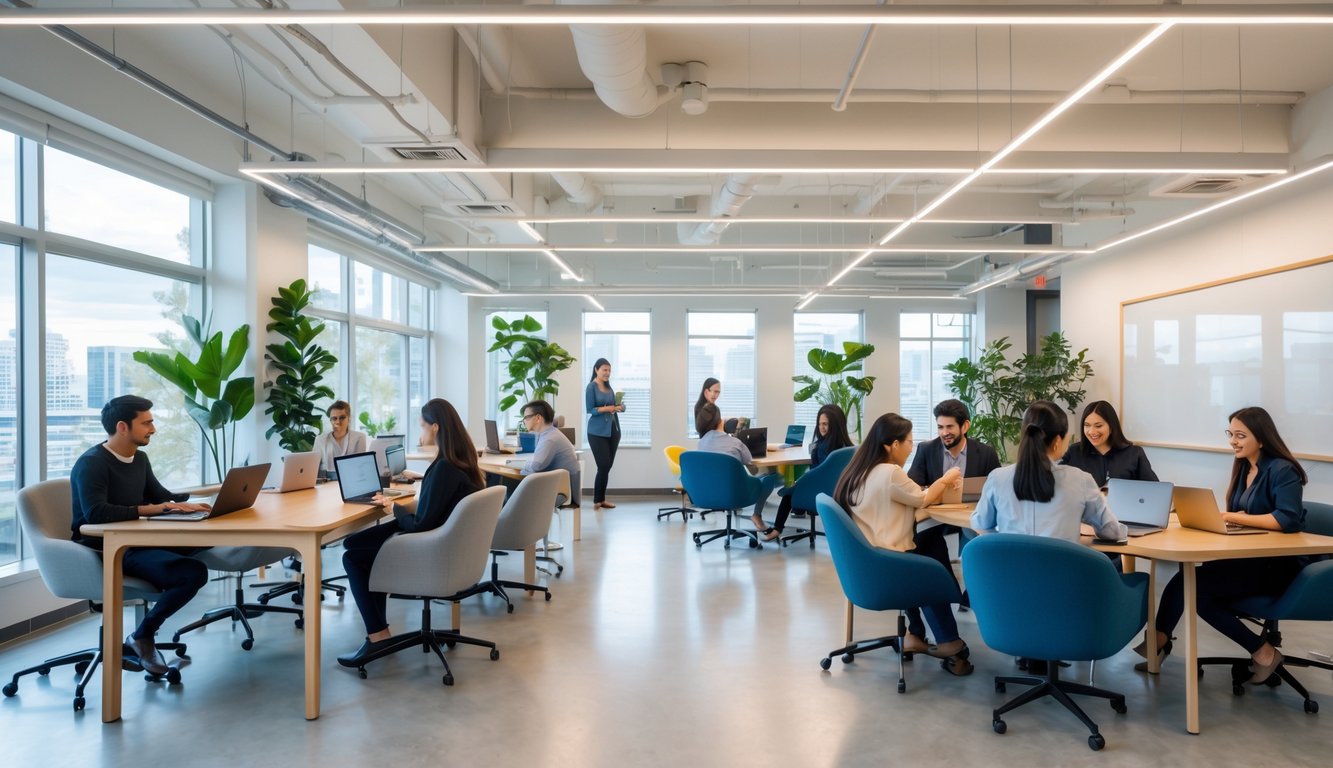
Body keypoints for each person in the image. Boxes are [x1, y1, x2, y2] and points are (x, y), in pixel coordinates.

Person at [1135, 406, 1307, 680]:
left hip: (1275, 567)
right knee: (1187, 581)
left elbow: (1286, 519)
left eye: (1240, 435)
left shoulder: (1282, 470)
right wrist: (1222, 520)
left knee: (1193, 587)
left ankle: (1163, 641)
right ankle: (1163, 640)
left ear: (1262, 438)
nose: (1232, 441)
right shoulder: (1245, 467)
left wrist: (1231, 517)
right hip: (1247, 559)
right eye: (1230, 434)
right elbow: (1243, 514)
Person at [69, 395, 212, 676]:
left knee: (206, 542)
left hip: (138, 540)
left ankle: (142, 633)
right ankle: (142, 636)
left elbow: (161, 496)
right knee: (192, 573)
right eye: (146, 423)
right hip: (108, 548)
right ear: (122, 427)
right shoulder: (92, 463)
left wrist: (194, 503)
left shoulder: (139, 458)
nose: (153, 429)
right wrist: (155, 508)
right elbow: (96, 513)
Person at [338, 398, 484, 667]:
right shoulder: (462, 461)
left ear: (436, 427)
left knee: (354, 558)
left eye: (422, 426)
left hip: (431, 549)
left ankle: (378, 636)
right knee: (353, 543)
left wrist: (394, 508)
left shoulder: (445, 467)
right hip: (447, 546)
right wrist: (400, 509)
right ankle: (380, 632)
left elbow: (420, 525)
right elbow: (432, 512)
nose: (421, 433)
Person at [832, 412, 972, 675]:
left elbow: (894, 505)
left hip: (863, 564)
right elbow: (922, 498)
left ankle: (916, 633)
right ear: (893, 445)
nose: (911, 446)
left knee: (927, 542)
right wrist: (946, 479)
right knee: (932, 558)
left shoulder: (857, 470)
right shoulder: (890, 472)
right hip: (887, 566)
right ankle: (948, 640)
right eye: (909, 441)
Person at [971, 400, 1127, 542]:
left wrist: (1004, 541)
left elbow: (980, 524)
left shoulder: (997, 477)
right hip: (1061, 565)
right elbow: (1111, 531)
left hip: (1011, 563)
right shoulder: (1081, 480)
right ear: (1058, 441)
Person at [905, 398, 1001, 617]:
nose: (944, 432)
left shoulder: (986, 453)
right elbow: (913, 486)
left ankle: (971, 595)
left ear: (965, 426)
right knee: (920, 542)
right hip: (935, 517)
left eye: (949, 427)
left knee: (981, 544)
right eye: (940, 427)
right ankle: (947, 591)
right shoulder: (926, 449)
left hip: (971, 515)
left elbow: (997, 490)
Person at [762, 404, 854, 541]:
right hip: (839, 492)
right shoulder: (848, 447)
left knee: (788, 493)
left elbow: (819, 472)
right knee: (795, 487)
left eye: (825, 424)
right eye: (820, 424)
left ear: (835, 425)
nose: (821, 428)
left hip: (820, 491)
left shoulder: (824, 447)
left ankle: (776, 529)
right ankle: (798, 510)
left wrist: (801, 482)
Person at [695, 402, 784, 532]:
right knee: (770, 478)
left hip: (708, 493)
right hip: (735, 493)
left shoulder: (701, 444)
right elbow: (754, 470)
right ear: (720, 421)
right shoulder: (735, 443)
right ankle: (756, 515)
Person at [1061, 400, 1158, 488]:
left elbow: (1154, 490)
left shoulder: (1134, 454)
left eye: (1098, 426)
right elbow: (1057, 484)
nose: (1091, 431)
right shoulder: (1073, 452)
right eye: (1087, 425)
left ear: (1111, 426)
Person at [585, 358, 625, 511]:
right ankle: (598, 500)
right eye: (604, 370)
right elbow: (590, 410)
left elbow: (614, 406)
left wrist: (620, 407)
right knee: (603, 465)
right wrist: (607, 408)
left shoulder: (609, 387)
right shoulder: (591, 387)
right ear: (596, 370)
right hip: (596, 432)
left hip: (613, 431)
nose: (607, 373)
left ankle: (601, 499)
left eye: (609, 370)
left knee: (606, 467)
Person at [313, 400, 368, 478]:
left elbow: (359, 467)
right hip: (327, 483)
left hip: (351, 481)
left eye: (342, 418)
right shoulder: (320, 440)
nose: (338, 422)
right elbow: (313, 469)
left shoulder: (359, 438)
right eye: (334, 418)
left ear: (349, 419)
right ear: (330, 421)